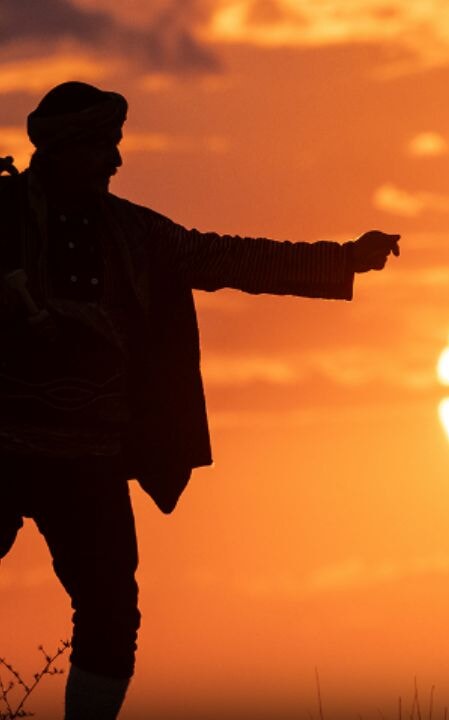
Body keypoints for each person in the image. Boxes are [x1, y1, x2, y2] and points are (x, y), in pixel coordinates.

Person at [0, 81, 401, 719]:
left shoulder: (136, 235)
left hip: (89, 460)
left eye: (117, 145)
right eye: (105, 146)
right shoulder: (0, 218)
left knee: (110, 617)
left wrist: (344, 260)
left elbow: (229, 258)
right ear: (65, 148)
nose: (116, 161)